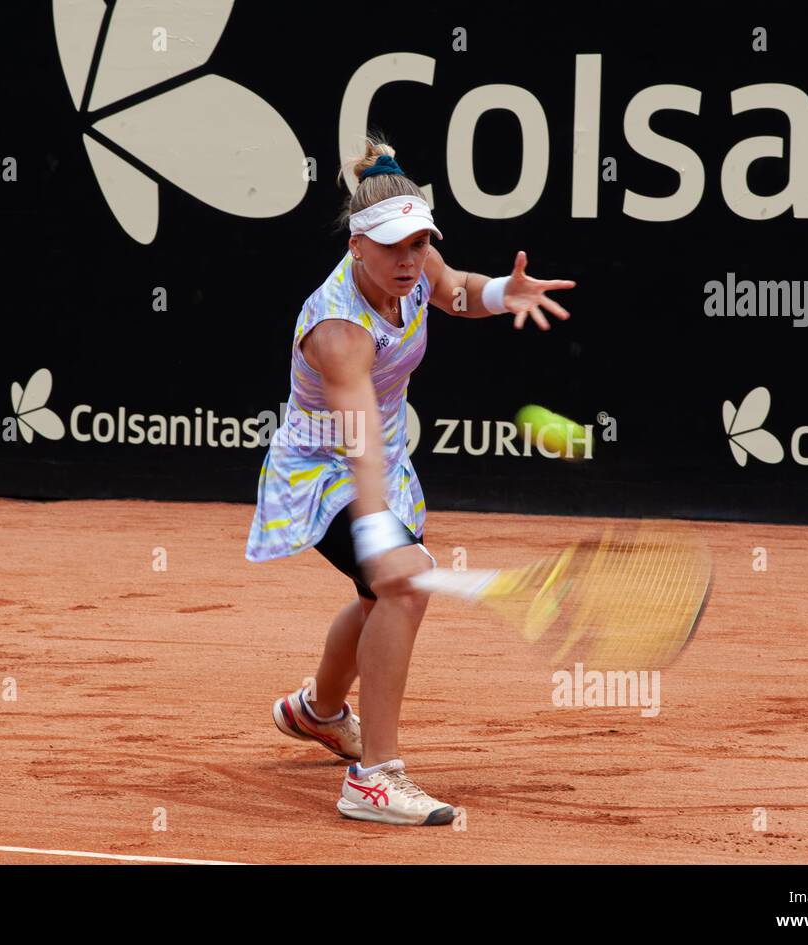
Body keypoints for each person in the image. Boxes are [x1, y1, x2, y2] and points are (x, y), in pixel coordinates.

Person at [245, 134, 576, 825]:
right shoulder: (340, 332)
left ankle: (320, 711)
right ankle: (374, 780)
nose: (409, 259)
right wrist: (377, 532)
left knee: (378, 596)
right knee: (400, 587)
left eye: (418, 243)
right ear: (355, 246)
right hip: (324, 468)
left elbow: (453, 292)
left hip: (385, 457)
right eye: (393, 247)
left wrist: (496, 292)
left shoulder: (417, 264)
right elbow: (356, 437)